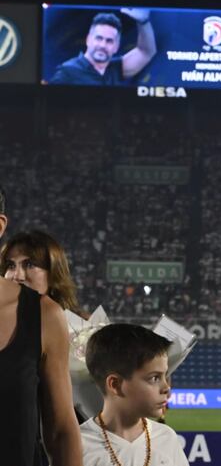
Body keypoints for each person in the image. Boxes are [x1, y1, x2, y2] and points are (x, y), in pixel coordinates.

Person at [0, 187, 83, 465]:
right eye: (12, 265)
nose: (19, 274)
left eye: (30, 265)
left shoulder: (44, 315)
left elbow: (61, 431)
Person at [81, 323, 189, 466]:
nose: (166, 388)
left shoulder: (166, 438)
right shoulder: (78, 445)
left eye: (165, 376)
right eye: (154, 378)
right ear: (115, 385)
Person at [49, 9, 157, 86]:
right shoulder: (68, 72)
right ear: (88, 40)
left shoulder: (115, 69)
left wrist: (144, 22)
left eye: (109, 41)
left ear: (116, 46)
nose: (102, 45)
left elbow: (146, 52)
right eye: (99, 38)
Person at [1, 229, 81, 314]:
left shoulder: (75, 322)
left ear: (53, 274)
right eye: (11, 266)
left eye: (30, 265)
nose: (17, 276)